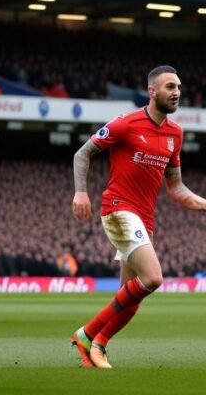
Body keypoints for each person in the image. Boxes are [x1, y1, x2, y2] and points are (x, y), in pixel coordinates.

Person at [70, 65, 206, 368]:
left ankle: (98, 347)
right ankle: (88, 333)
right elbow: (83, 153)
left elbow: (177, 188)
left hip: (145, 219)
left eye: (179, 87)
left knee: (130, 297)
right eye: (170, 87)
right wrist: (81, 192)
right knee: (153, 277)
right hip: (118, 209)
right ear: (152, 91)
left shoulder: (175, 134)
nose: (177, 92)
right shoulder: (126, 124)